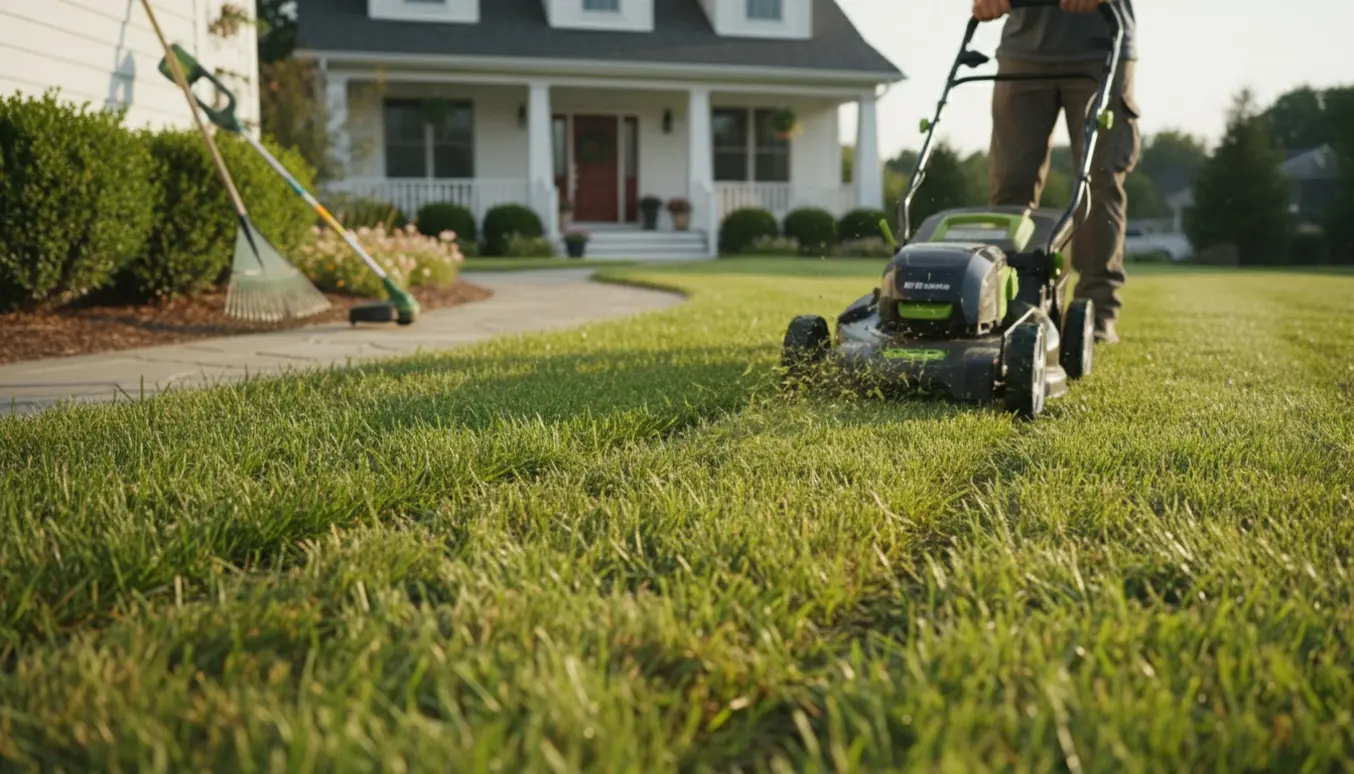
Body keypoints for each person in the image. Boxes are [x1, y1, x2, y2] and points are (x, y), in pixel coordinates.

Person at [972, 0, 1138, 344]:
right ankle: (1010, 304)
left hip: (1102, 45)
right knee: (1010, 185)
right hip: (1023, 47)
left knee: (1099, 181)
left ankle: (1096, 311)